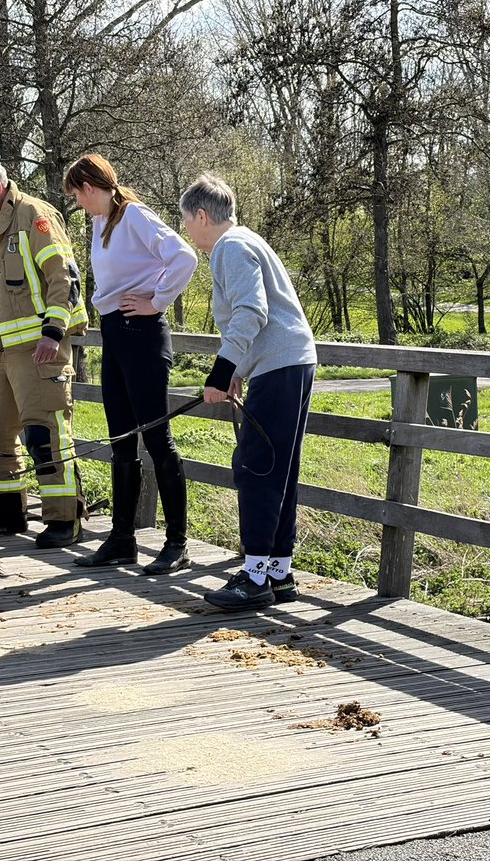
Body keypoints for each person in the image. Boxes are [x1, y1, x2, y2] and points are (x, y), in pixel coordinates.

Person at [179, 174, 318, 610]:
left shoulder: (230, 248)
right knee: (279, 468)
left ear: (202, 216)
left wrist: (221, 373)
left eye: (186, 220)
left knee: (256, 466)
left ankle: (254, 576)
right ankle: (279, 570)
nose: (186, 229)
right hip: (292, 361)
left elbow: (251, 310)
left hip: (281, 364)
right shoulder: (246, 239)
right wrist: (239, 367)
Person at [63, 154, 198, 573]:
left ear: (89, 188)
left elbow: (184, 257)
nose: (79, 206)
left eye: (77, 197)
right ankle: (122, 539)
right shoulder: (101, 222)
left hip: (142, 335)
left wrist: (156, 300)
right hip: (115, 334)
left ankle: (177, 542)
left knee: (156, 438)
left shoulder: (134, 214)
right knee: (121, 437)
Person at [0, 154, 88, 549]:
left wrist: (54, 331)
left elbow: (62, 275)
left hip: (38, 346)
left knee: (44, 432)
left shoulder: (34, 214)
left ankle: (65, 518)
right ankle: (0, 512)